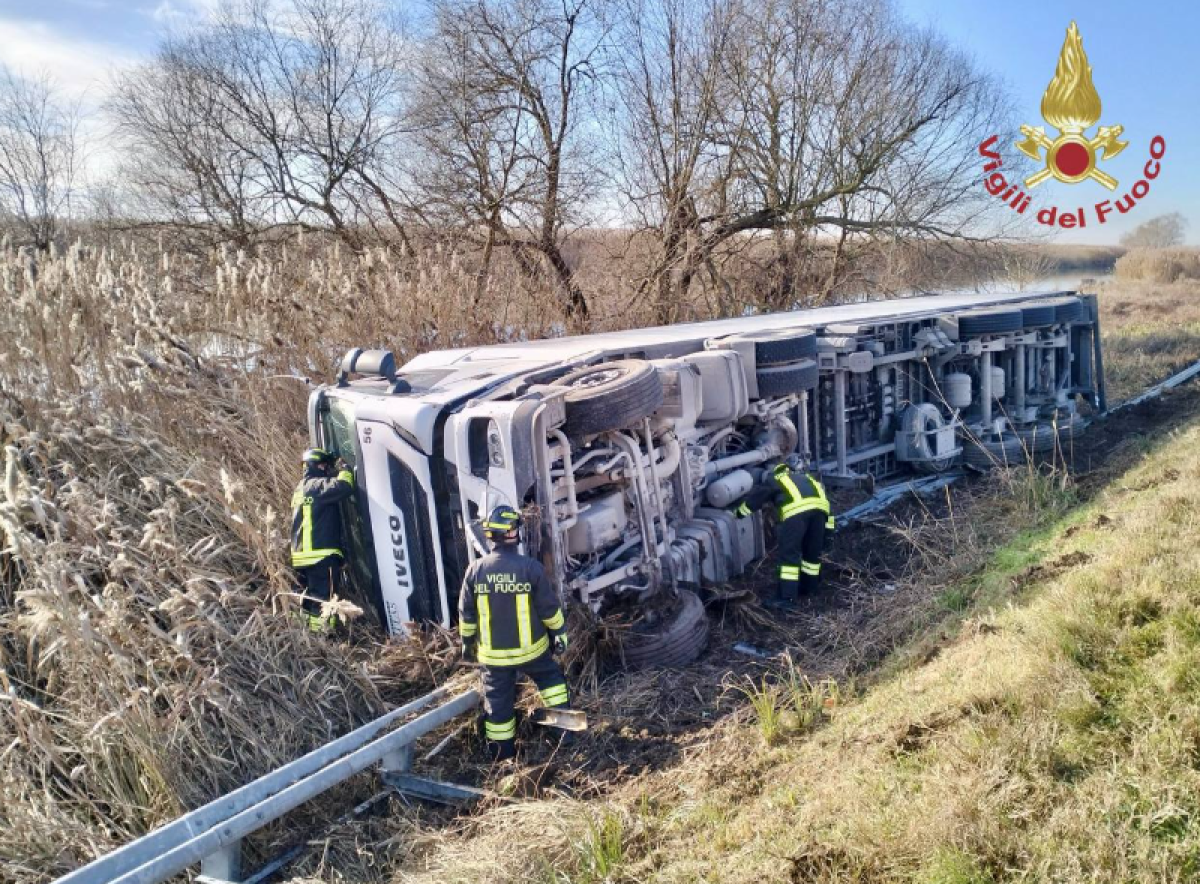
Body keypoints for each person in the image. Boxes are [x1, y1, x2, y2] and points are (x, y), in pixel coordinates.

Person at [458, 506, 570, 761]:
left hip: (493, 659)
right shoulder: (531, 568)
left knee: (498, 705)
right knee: (552, 682)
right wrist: (559, 634)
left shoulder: (475, 571)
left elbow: (467, 615)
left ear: (490, 535)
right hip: (533, 652)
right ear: (513, 534)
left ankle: (502, 756)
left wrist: (467, 644)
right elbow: (549, 609)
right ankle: (565, 735)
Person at [731, 459, 834, 605]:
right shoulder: (807, 478)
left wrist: (738, 513)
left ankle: (786, 598)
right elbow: (828, 508)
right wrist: (828, 535)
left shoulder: (775, 479)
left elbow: (755, 501)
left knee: (789, 555)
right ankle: (810, 588)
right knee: (811, 555)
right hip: (821, 513)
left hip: (796, 516)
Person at [290, 448, 355, 631]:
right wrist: (345, 469)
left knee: (306, 601)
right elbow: (344, 486)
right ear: (318, 465)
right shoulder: (317, 486)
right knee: (323, 602)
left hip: (301, 557)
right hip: (320, 556)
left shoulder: (300, 489)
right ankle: (323, 635)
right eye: (325, 465)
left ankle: (304, 636)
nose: (327, 469)